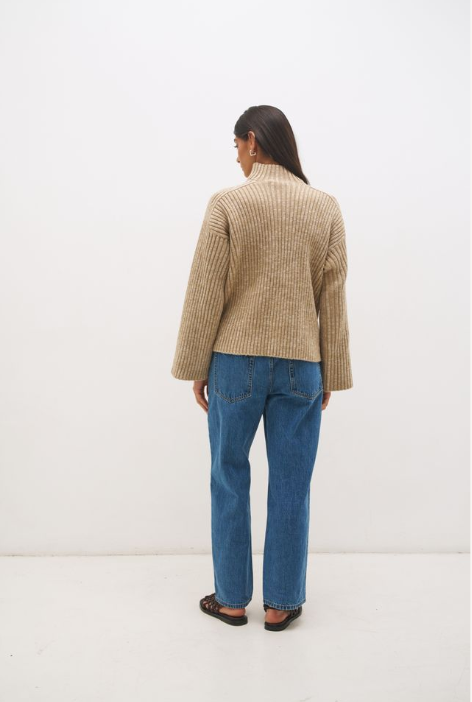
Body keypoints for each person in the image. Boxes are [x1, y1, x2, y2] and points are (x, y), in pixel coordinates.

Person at [171, 105, 353, 631]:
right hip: (302, 365)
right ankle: (281, 603)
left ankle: (231, 600)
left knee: (228, 477)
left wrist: (196, 365)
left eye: (236, 147)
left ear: (252, 140)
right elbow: (333, 295)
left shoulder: (229, 203)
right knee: (293, 484)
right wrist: (331, 372)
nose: (237, 159)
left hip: (234, 363)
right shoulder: (325, 207)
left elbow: (205, 290)